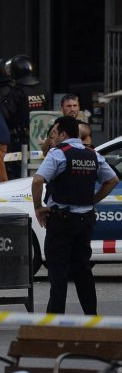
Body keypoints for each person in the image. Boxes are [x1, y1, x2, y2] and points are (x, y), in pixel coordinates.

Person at [32, 116, 118, 315]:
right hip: (84, 222)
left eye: (54, 134)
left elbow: (37, 181)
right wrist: (92, 200)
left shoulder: (58, 154)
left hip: (61, 222)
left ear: (63, 134)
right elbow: (112, 180)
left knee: (58, 274)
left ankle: (55, 323)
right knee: (83, 272)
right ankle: (92, 318)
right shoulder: (93, 155)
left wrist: (38, 208)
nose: (52, 139)